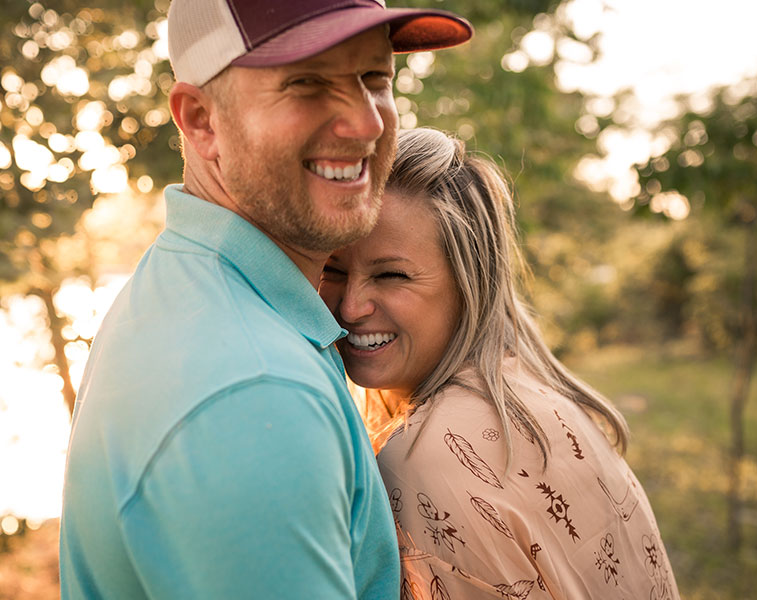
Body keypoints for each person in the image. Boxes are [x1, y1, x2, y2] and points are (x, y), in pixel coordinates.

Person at [59, 3, 472, 598]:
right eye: (307, 83)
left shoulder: (190, 285)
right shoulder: (254, 393)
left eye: (374, 79)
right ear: (201, 120)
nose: (366, 123)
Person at [319, 127, 681, 599]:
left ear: (469, 282)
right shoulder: (534, 391)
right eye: (334, 269)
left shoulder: (425, 457)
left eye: (392, 275)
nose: (350, 307)